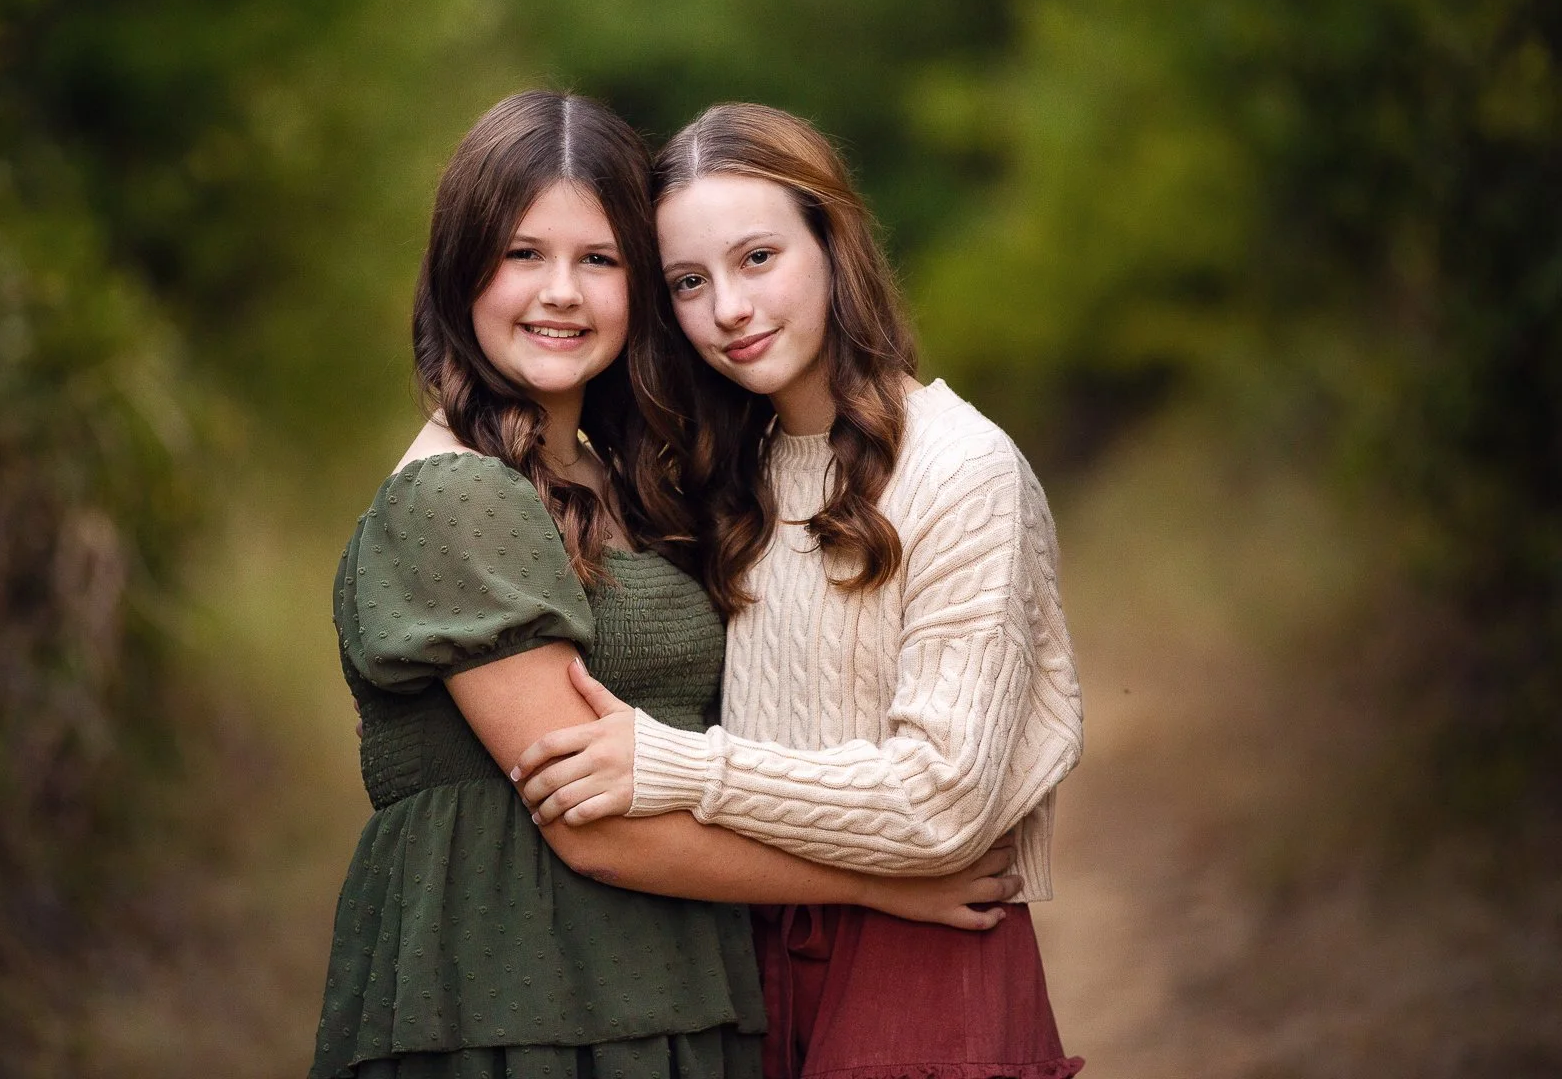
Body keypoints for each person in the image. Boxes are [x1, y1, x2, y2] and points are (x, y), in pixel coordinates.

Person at [312, 91, 1023, 1079]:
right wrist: (878, 884)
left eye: (598, 259)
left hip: (667, 985)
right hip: (517, 1007)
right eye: (524, 253)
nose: (560, 290)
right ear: (460, 269)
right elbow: (594, 824)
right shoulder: (454, 497)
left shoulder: (622, 477)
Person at [513, 103, 1086, 1079]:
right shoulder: (723, 471)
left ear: (833, 243)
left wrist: (684, 767)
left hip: (924, 960)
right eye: (689, 281)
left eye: (758, 258)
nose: (728, 307)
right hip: (744, 950)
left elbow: (943, 800)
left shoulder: (960, 467)